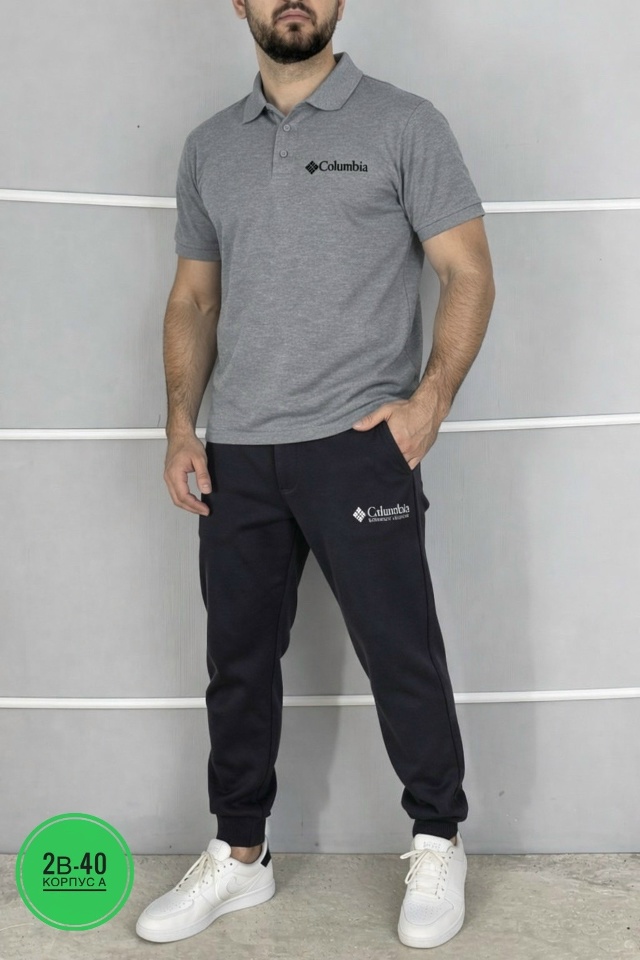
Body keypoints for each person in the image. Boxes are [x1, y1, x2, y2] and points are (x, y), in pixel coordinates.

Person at [136, 0, 495, 949]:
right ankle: (240, 854)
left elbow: (467, 270)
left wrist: (428, 404)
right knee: (238, 665)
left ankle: (438, 838)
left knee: (400, 653)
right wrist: (181, 425)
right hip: (239, 453)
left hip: (357, 443)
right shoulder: (211, 146)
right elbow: (194, 297)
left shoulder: (404, 123)